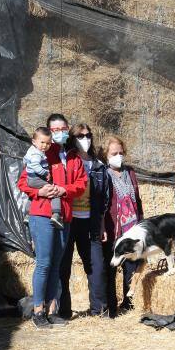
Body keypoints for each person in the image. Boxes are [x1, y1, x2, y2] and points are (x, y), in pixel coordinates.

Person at [17, 113, 87, 328]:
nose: (59, 133)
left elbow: (81, 184)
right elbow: (23, 183)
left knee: (57, 264)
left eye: (62, 129)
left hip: (64, 215)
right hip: (43, 214)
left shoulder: (74, 156)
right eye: (54, 130)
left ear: (68, 129)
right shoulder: (43, 151)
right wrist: (42, 191)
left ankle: (52, 310)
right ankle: (38, 311)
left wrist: (64, 189)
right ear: (47, 132)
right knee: (44, 263)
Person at [58, 123, 110, 319]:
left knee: (96, 266)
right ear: (72, 138)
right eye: (80, 136)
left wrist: (102, 224)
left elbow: (104, 198)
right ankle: (63, 311)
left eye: (88, 135)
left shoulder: (98, 166)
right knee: (64, 266)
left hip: (90, 222)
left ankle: (99, 310)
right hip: (68, 220)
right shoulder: (66, 161)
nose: (85, 139)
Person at [101, 135, 144, 316]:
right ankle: (111, 306)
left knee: (132, 269)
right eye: (113, 153)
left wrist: (142, 223)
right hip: (114, 230)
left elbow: (137, 200)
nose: (118, 156)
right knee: (111, 269)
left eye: (120, 152)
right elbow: (102, 203)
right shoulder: (103, 174)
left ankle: (129, 303)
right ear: (105, 155)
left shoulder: (130, 172)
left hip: (132, 229)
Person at [23, 126, 63, 229]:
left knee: (32, 196)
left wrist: (26, 165)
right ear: (34, 141)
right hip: (36, 178)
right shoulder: (37, 153)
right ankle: (56, 214)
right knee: (54, 190)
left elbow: (25, 160)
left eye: (48, 143)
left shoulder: (31, 150)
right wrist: (45, 173)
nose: (45, 146)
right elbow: (36, 166)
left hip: (30, 179)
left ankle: (27, 214)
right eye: (42, 142)